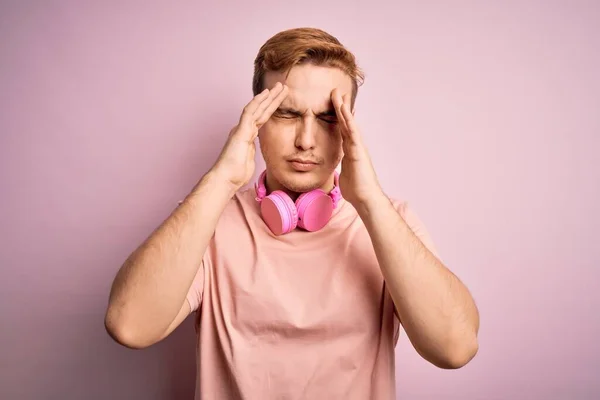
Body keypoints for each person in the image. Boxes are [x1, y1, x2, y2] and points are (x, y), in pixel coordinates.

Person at [104, 27, 480, 399]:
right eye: (285, 113)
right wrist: (222, 178)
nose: (306, 140)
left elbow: (455, 348)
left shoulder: (388, 220)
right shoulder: (209, 220)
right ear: (257, 120)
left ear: (350, 127)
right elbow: (130, 326)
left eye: (328, 118)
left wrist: (369, 201)